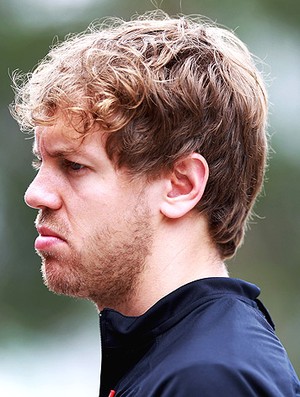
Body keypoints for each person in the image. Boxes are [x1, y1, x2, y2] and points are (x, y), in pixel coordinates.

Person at [11, 10, 300, 397]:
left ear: (180, 185)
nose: (36, 193)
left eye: (74, 166)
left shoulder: (209, 379)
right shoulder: (175, 360)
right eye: (40, 163)